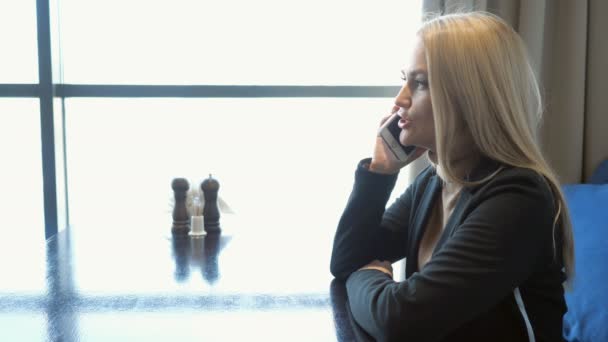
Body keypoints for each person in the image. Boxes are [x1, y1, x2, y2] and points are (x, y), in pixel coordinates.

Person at [330, 11, 574, 342]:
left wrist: (370, 273)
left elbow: (400, 322)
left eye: (419, 83)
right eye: (404, 79)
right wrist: (380, 172)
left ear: (469, 98)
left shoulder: (518, 199)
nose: (399, 100)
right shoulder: (435, 182)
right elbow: (346, 259)